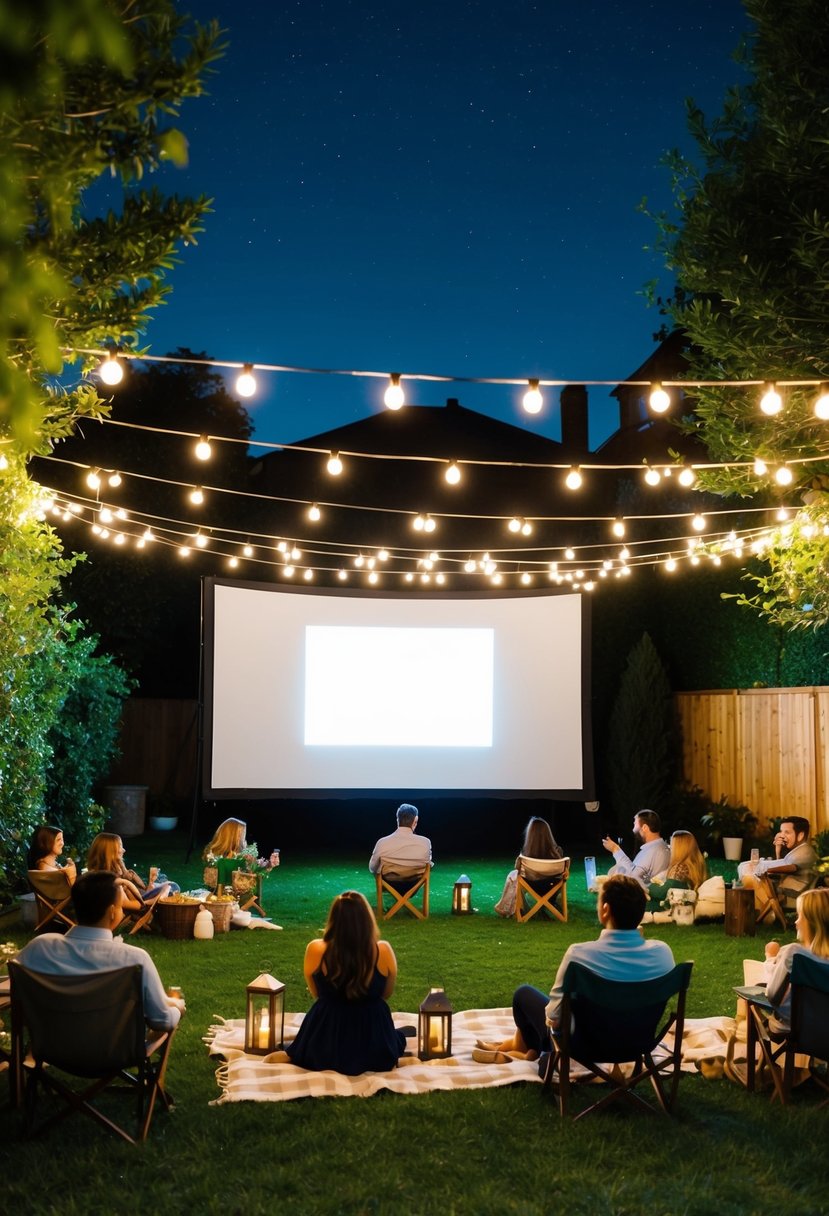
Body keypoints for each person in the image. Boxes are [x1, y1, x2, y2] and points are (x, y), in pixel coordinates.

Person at [475, 875, 675, 1061]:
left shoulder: (580, 955)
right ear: (640, 913)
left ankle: (521, 1048)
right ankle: (524, 1048)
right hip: (638, 1043)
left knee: (523, 995)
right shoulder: (663, 954)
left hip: (583, 1047)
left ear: (605, 909)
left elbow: (553, 1016)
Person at [16, 870, 185, 1032]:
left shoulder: (39, 948)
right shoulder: (135, 959)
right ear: (112, 912)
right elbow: (162, 1021)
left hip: (51, 1048)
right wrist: (177, 1008)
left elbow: (16, 992)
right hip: (112, 1055)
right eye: (120, 906)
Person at [273, 890, 409, 1075]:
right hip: (373, 1039)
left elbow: (317, 993)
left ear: (334, 919)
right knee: (397, 1038)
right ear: (367, 919)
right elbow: (386, 993)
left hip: (326, 1039)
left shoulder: (315, 950)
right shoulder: (383, 950)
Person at [763, 888, 829, 1034]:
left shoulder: (795, 955)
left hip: (797, 1028)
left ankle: (744, 1031)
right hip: (824, 1035)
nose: (796, 922)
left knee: (753, 990)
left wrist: (770, 957)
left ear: (812, 922)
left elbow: (772, 994)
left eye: (800, 916)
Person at [738, 816, 816, 911]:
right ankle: (762, 911)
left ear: (800, 835)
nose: (782, 836)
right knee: (748, 870)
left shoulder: (805, 852)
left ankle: (764, 912)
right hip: (786, 887)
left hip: (794, 894)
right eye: (781, 831)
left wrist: (766, 870)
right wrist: (778, 850)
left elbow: (791, 868)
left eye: (787, 832)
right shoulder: (798, 850)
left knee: (749, 878)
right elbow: (783, 864)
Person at [86, 831, 175, 912]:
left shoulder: (96, 876)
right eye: (120, 846)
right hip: (143, 904)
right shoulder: (112, 883)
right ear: (110, 852)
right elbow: (135, 905)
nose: (124, 850)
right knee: (172, 887)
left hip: (140, 899)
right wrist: (162, 895)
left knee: (164, 881)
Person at [494, 816, 564, 917]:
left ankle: (512, 908)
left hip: (531, 885)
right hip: (552, 886)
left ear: (530, 835)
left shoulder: (525, 857)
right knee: (515, 876)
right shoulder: (558, 854)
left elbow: (517, 870)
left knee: (513, 875)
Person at [202, 817, 279, 891]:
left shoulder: (244, 854)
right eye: (242, 834)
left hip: (241, 899)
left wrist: (269, 865)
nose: (243, 839)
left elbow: (255, 875)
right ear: (232, 836)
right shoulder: (213, 856)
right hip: (220, 899)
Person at [601, 810, 671, 887]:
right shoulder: (661, 846)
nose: (633, 830)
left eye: (635, 825)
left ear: (644, 827)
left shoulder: (653, 850)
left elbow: (633, 878)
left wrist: (615, 849)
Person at [368, 804, 432, 880]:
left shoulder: (382, 842)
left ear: (397, 819)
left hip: (389, 884)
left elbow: (372, 868)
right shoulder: (425, 842)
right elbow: (428, 865)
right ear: (415, 820)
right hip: (414, 885)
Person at [647, 829, 708, 904]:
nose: (669, 848)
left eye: (672, 845)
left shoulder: (680, 868)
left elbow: (662, 893)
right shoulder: (696, 865)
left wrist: (650, 886)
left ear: (679, 849)